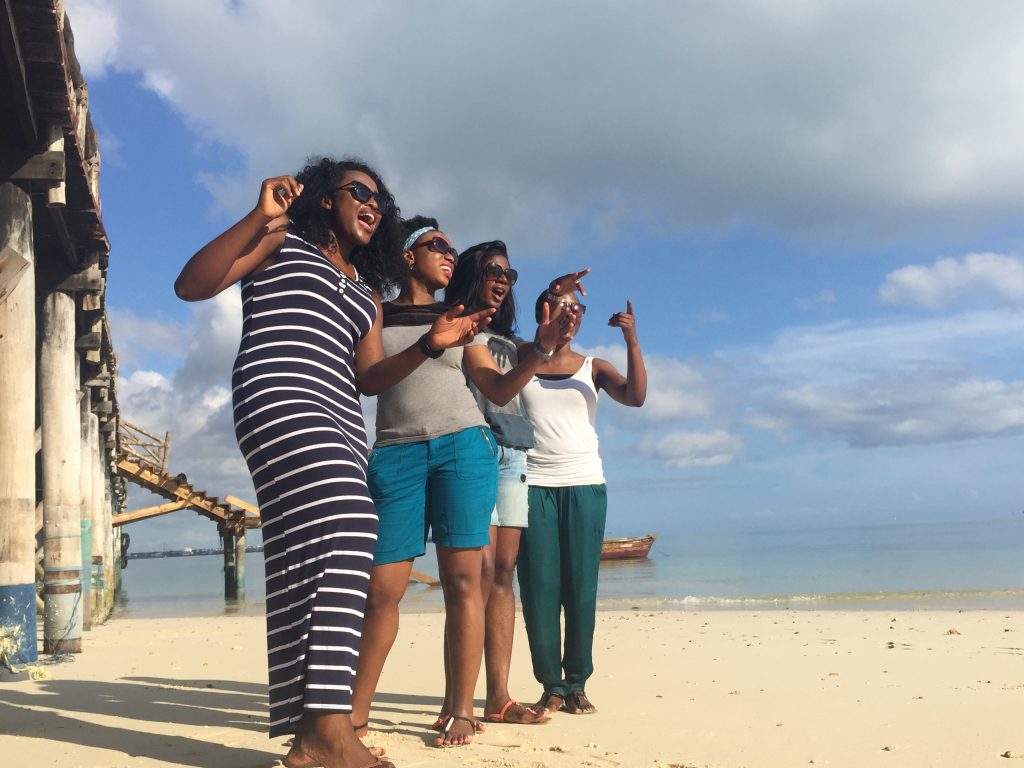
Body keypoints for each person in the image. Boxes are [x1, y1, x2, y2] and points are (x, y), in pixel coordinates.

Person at [174, 157, 491, 768]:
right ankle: (329, 730)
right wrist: (258, 215)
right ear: (325, 198)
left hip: (343, 422)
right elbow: (192, 285)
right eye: (359, 192)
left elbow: (370, 378)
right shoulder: (280, 239)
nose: (373, 204)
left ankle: (312, 735)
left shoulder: (365, 294)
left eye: (381, 200)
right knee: (352, 530)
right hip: (280, 397)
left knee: (311, 558)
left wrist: (431, 345)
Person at [349, 218, 577, 748]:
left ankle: (460, 711)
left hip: (463, 448)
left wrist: (540, 352)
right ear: (408, 256)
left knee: (465, 582)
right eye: (438, 246)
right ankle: (353, 720)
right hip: (396, 452)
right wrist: (430, 344)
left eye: (453, 248)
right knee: (382, 591)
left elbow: (496, 389)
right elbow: (367, 381)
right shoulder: (375, 309)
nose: (450, 255)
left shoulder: (457, 314)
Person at [440, 243, 589, 726]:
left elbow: (547, 345)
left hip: (514, 456)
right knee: (474, 579)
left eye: (510, 274)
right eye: (492, 271)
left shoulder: (508, 340)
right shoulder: (461, 328)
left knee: (503, 577)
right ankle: (456, 702)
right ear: (470, 275)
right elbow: (499, 388)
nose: (503, 280)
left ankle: (498, 697)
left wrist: (557, 294)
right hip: (473, 452)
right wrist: (541, 349)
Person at [516, 288, 647, 717]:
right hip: (533, 485)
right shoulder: (522, 356)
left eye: (578, 306)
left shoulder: (594, 367)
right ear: (544, 310)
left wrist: (631, 341)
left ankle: (576, 684)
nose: (572, 313)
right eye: (563, 304)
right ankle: (550, 685)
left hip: (585, 483)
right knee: (538, 590)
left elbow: (636, 397)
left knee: (580, 590)